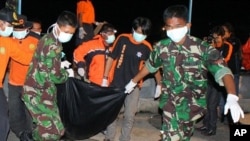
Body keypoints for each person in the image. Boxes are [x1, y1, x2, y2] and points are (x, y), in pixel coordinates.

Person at [124, 5, 244, 141]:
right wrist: (133, 81)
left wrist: (232, 96)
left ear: (187, 25)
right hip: (170, 104)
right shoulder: (161, 47)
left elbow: (223, 71)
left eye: (178, 26)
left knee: (183, 137)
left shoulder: (202, 48)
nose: (173, 30)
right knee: (171, 136)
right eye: (169, 26)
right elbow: (150, 66)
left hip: (191, 107)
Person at [102, 17, 162, 141]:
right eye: (139, 32)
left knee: (129, 116)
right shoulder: (122, 38)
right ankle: (109, 137)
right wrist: (105, 77)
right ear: (133, 29)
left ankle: (125, 138)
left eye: (144, 34)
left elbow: (153, 66)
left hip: (134, 86)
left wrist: (159, 84)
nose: (141, 36)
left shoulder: (146, 47)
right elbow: (111, 58)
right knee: (113, 113)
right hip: (116, 82)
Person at [21, 10, 77, 141]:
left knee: (57, 130)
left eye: (71, 33)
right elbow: (55, 76)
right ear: (58, 26)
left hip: (45, 91)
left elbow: (46, 65)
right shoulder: (52, 45)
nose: (68, 35)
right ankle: (28, 137)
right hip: (35, 92)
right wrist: (66, 74)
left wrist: (59, 65)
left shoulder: (49, 38)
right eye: (66, 32)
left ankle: (31, 137)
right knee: (51, 132)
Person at [0, 7, 33, 141]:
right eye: (9, 25)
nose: (11, 29)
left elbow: (26, 58)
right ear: (0, 23)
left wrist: (49, 59)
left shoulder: (7, 42)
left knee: (3, 120)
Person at [196, 25, 233, 136]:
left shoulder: (227, 46)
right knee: (206, 104)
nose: (215, 40)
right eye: (214, 37)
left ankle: (212, 128)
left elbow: (224, 61)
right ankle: (206, 125)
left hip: (219, 81)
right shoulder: (210, 46)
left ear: (222, 37)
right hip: (208, 79)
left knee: (212, 105)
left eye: (217, 37)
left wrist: (213, 49)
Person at [7, 15, 40, 140]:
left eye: (21, 30)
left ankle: (30, 133)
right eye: (16, 29)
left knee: (29, 111)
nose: (18, 32)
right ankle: (20, 132)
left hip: (30, 82)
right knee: (15, 110)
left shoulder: (36, 40)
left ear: (27, 28)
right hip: (14, 81)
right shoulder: (10, 39)